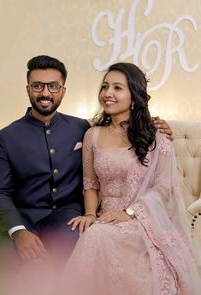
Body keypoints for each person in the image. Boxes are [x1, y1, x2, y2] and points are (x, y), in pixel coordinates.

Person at [0, 55, 173, 277]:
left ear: (63, 90)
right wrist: (18, 231)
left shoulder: (81, 128)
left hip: (66, 218)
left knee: (69, 261)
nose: (45, 93)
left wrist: (160, 128)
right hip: (21, 218)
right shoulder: (6, 137)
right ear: (28, 89)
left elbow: (124, 133)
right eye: (37, 86)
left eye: (53, 86)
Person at [63, 62, 201, 295]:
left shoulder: (155, 136)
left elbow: (164, 188)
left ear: (134, 97)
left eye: (118, 88)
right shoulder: (92, 135)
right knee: (95, 232)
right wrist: (89, 215)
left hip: (142, 220)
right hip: (105, 217)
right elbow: (90, 184)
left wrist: (129, 213)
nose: (107, 94)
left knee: (98, 235)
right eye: (105, 87)